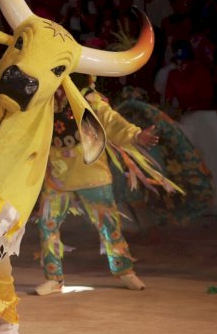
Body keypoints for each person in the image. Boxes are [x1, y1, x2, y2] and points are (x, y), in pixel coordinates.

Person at [34, 73, 176, 295]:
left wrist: (135, 135)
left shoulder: (89, 99)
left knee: (108, 226)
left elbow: (110, 121)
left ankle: (124, 271)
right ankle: (54, 277)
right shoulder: (44, 99)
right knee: (47, 225)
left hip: (91, 172)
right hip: (57, 174)